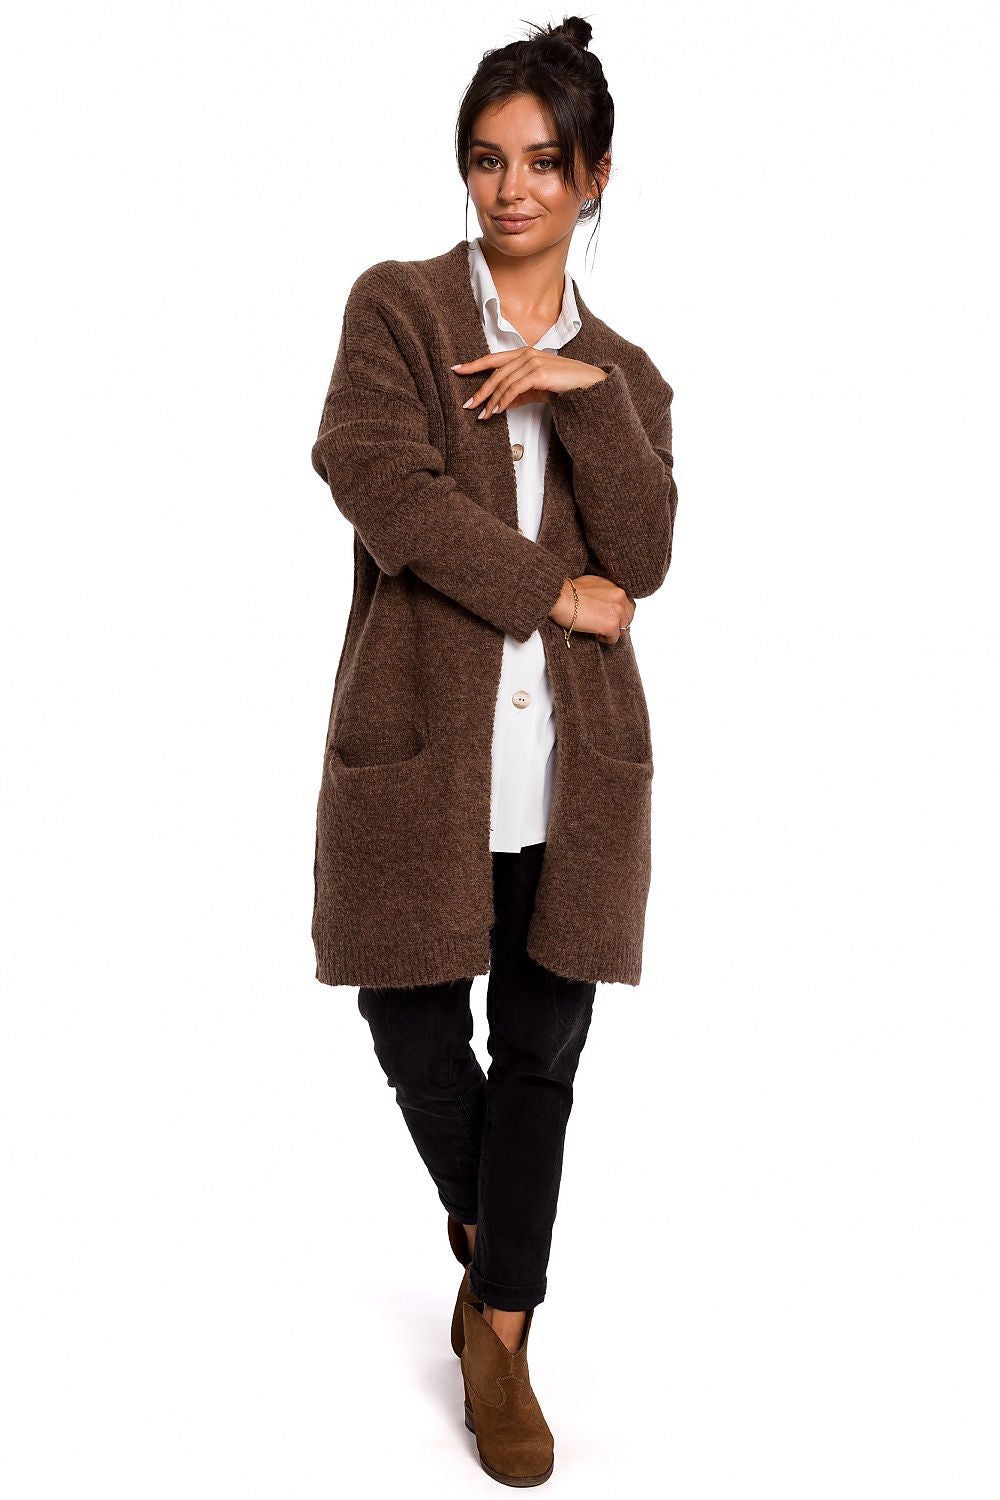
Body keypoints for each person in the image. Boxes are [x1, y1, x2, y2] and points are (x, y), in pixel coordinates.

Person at [309, 15, 678, 1485]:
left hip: (573, 768)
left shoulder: (629, 371)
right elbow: (383, 489)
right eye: (486, 159)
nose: (511, 189)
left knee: (542, 1049)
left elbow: (644, 555)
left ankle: (502, 1336)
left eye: (541, 161)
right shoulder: (399, 309)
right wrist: (552, 593)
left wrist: (587, 400)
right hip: (423, 745)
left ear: (594, 174)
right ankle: (499, 1236)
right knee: (407, 1014)